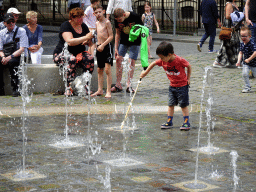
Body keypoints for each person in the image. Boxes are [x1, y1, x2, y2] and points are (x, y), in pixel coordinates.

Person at [140, 41, 192, 130]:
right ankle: (169, 122)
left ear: (169, 55)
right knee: (170, 104)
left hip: (182, 86)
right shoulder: (163, 61)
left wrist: (188, 78)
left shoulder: (179, 60)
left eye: (162, 57)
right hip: (172, 87)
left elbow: (189, 66)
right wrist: (145, 73)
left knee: (183, 105)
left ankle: (186, 122)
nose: (161, 59)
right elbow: (153, 64)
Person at [60, 7, 94, 96]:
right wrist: (86, 37)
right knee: (71, 59)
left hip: (79, 53)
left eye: (82, 17)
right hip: (63, 53)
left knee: (89, 58)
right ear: (72, 18)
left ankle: (85, 86)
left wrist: (88, 40)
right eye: (78, 17)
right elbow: (70, 42)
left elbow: (89, 42)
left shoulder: (83, 25)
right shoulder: (66, 25)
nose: (81, 19)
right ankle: (69, 88)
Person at [111, 8, 143, 93]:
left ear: (124, 15)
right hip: (124, 41)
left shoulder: (135, 16)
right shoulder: (117, 20)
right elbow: (117, 33)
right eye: (117, 20)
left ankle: (129, 85)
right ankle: (118, 84)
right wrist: (116, 48)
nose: (119, 22)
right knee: (118, 59)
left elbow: (143, 29)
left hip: (135, 41)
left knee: (131, 61)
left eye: (120, 20)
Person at [0, 13, 28, 96]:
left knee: (13, 62)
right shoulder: (1, 33)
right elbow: (0, 49)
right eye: (8, 22)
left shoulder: (21, 31)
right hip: (6, 54)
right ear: (4, 23)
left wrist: (9, 57)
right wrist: (3, 57)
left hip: (17, 55)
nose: (11, 24)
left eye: (13, 21)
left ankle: (16, 88)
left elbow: (22, 49)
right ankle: (1, 89)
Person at [91, 4, 113, 98]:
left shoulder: (107, 22)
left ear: (103, 11)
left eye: (100, 12)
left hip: (107, 47)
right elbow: (96, 35)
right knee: (100, 69)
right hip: (99, 47)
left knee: (107, 70)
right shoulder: (96, 23)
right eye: (96, 13)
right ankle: (100, 90)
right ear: (94, 14)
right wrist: (92, 43)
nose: (98, 14)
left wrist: (103, 45)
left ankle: (108, 91)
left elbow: (111, 36)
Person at [213, 0, 242, 68]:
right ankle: (218, 61)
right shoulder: (229, 4)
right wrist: (238, 17)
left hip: (233, 28)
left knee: (233, 44)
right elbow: (227, 16)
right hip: (229, 28)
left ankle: (233, 61)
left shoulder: (233, 4)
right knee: (226, 44)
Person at [236, 27, 256, 92]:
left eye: (245, 36)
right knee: (244, 74)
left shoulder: (252, 43)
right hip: (246, 63)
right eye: (241, 36)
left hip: (254, 63)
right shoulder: (242, 44)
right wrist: (238, 61)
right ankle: (247, 87)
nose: (243, 38)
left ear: (249, 36)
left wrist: (249, 59)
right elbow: (241, 53)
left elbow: (255, 52)